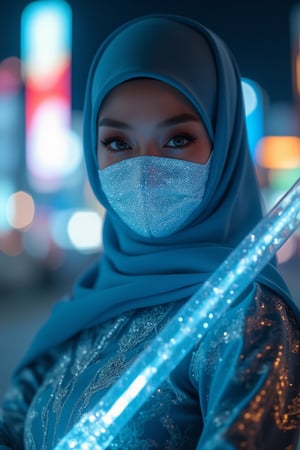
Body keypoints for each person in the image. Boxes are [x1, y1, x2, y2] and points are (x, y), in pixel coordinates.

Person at [1, 13, 300, 450]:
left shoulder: (245, 315)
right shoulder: (86, 303)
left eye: (177, 138)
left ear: (224, 146)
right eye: (118, 143)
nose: (145, 172)